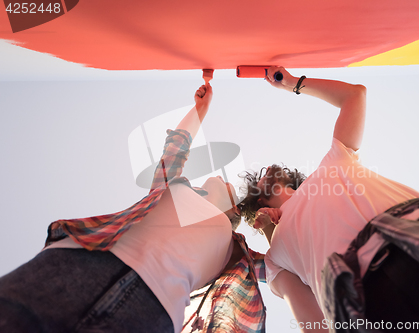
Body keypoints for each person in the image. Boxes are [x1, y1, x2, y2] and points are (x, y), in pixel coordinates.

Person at [240, 66, 419, 332]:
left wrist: (294, 83)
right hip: (366, 294)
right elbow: (314, 325)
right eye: (258, 185)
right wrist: (270, 229)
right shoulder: (274, 259)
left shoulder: (332, 162)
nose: (264, 175)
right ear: (259, 203)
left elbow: (355, 96)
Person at [0, 84, 266, 333]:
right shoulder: (172, 186)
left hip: (148, 310)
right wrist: (200, 110)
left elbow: (284, 263)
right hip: (79, 264)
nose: (224, 179)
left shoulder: (234, 250)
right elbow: (176, 149)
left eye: (231, 190)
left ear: (233, 213)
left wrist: (268, 225)